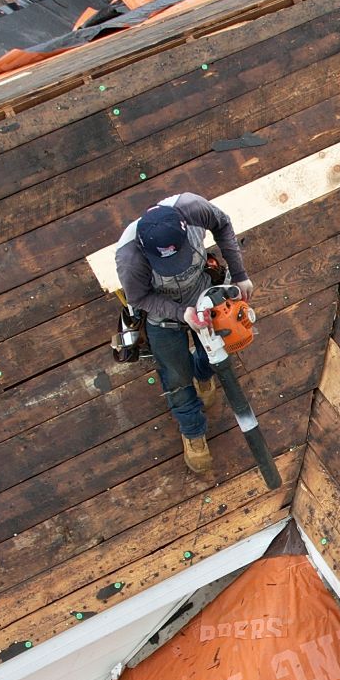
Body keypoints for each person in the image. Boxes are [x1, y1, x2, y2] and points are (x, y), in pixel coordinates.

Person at [116, 194, 252, 478]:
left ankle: (204, 376)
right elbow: (140, 298)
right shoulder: (129, 259)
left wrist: (240, 275)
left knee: (214, 354)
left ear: (183, 228)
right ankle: (192, 430)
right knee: (176, 376)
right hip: (164, 316)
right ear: (145, 250)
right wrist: (182, 314)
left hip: (205, 294)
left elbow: (223, 224)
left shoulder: (191, 208)